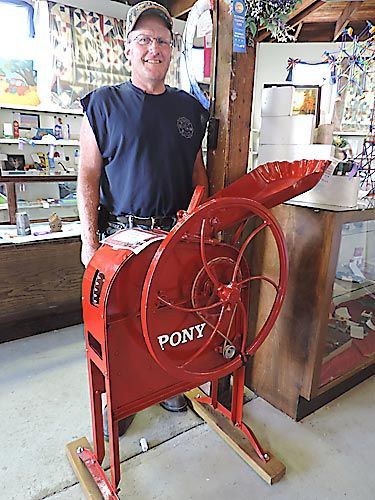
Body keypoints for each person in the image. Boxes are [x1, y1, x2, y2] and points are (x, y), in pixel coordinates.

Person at [77, 1, 210, 439]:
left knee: (168, 316)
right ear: (128, 48)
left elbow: (198, 178)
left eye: (162, 41)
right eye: (144, 40)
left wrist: (195, 223)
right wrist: (89, 242)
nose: (154, 48)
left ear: (172, 51)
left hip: (173, 233)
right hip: (121, 234)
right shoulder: (102, 105)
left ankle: (170, 385)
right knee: (120, 323)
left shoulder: (190, 110)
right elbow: (88, 178)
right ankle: (121, 399)